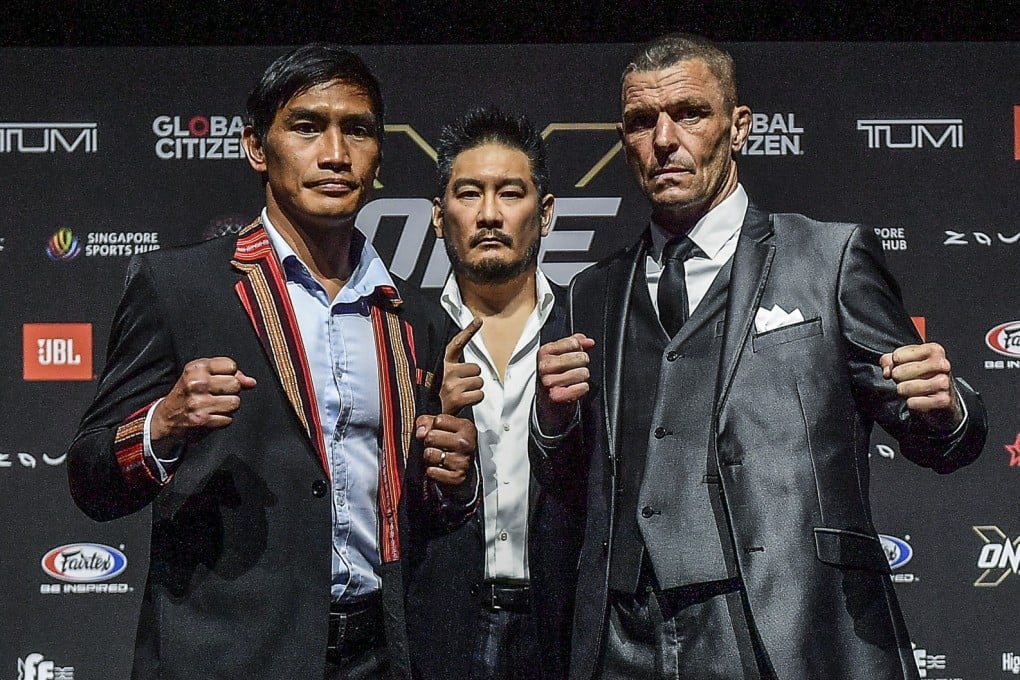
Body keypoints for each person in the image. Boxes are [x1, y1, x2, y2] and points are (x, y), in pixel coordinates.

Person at [531, 33, 987, 680]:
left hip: (782, 620)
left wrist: (945, 410)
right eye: (641, 122)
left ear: (739, 127)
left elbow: (944, 438)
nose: (664, 140)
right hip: (624, 636)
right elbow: (569, 484)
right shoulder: (591, 293)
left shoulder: (827, 260)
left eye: (690, 113)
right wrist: (551, 421)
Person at [66, 44, 478, 680]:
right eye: (308, 127)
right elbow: (91, 477)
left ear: (378, 155)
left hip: (382, 655)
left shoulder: (414, 318)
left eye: (358, 130)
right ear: (257, 147)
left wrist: (451, 479)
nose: (336, 154)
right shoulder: (180, 287)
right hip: (227, 657)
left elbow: (415, 512)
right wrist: (164, 424)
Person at [404, 106, 577, 680]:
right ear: (437, 216)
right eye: (469, 194)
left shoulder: (589, 324)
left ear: (546, 213)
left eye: (511, 193)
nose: (489, 215)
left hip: (567, 627)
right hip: (440, 624)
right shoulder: (402, 334)